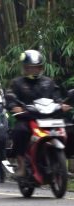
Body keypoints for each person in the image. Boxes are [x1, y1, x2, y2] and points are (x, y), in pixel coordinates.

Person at [5, 49, 71, 177]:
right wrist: (14, 106)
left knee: (69, 128)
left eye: (36, 68)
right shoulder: (17, 83)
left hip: (49, 117)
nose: (33, 70)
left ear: (41, 68)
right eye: (29, 68)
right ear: (24, 68)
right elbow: (10, 95)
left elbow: (56, 97)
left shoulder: (48, 82)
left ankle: (64, 161)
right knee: (20, 130)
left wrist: (62, 104)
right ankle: (22, 164)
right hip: (28, 118)